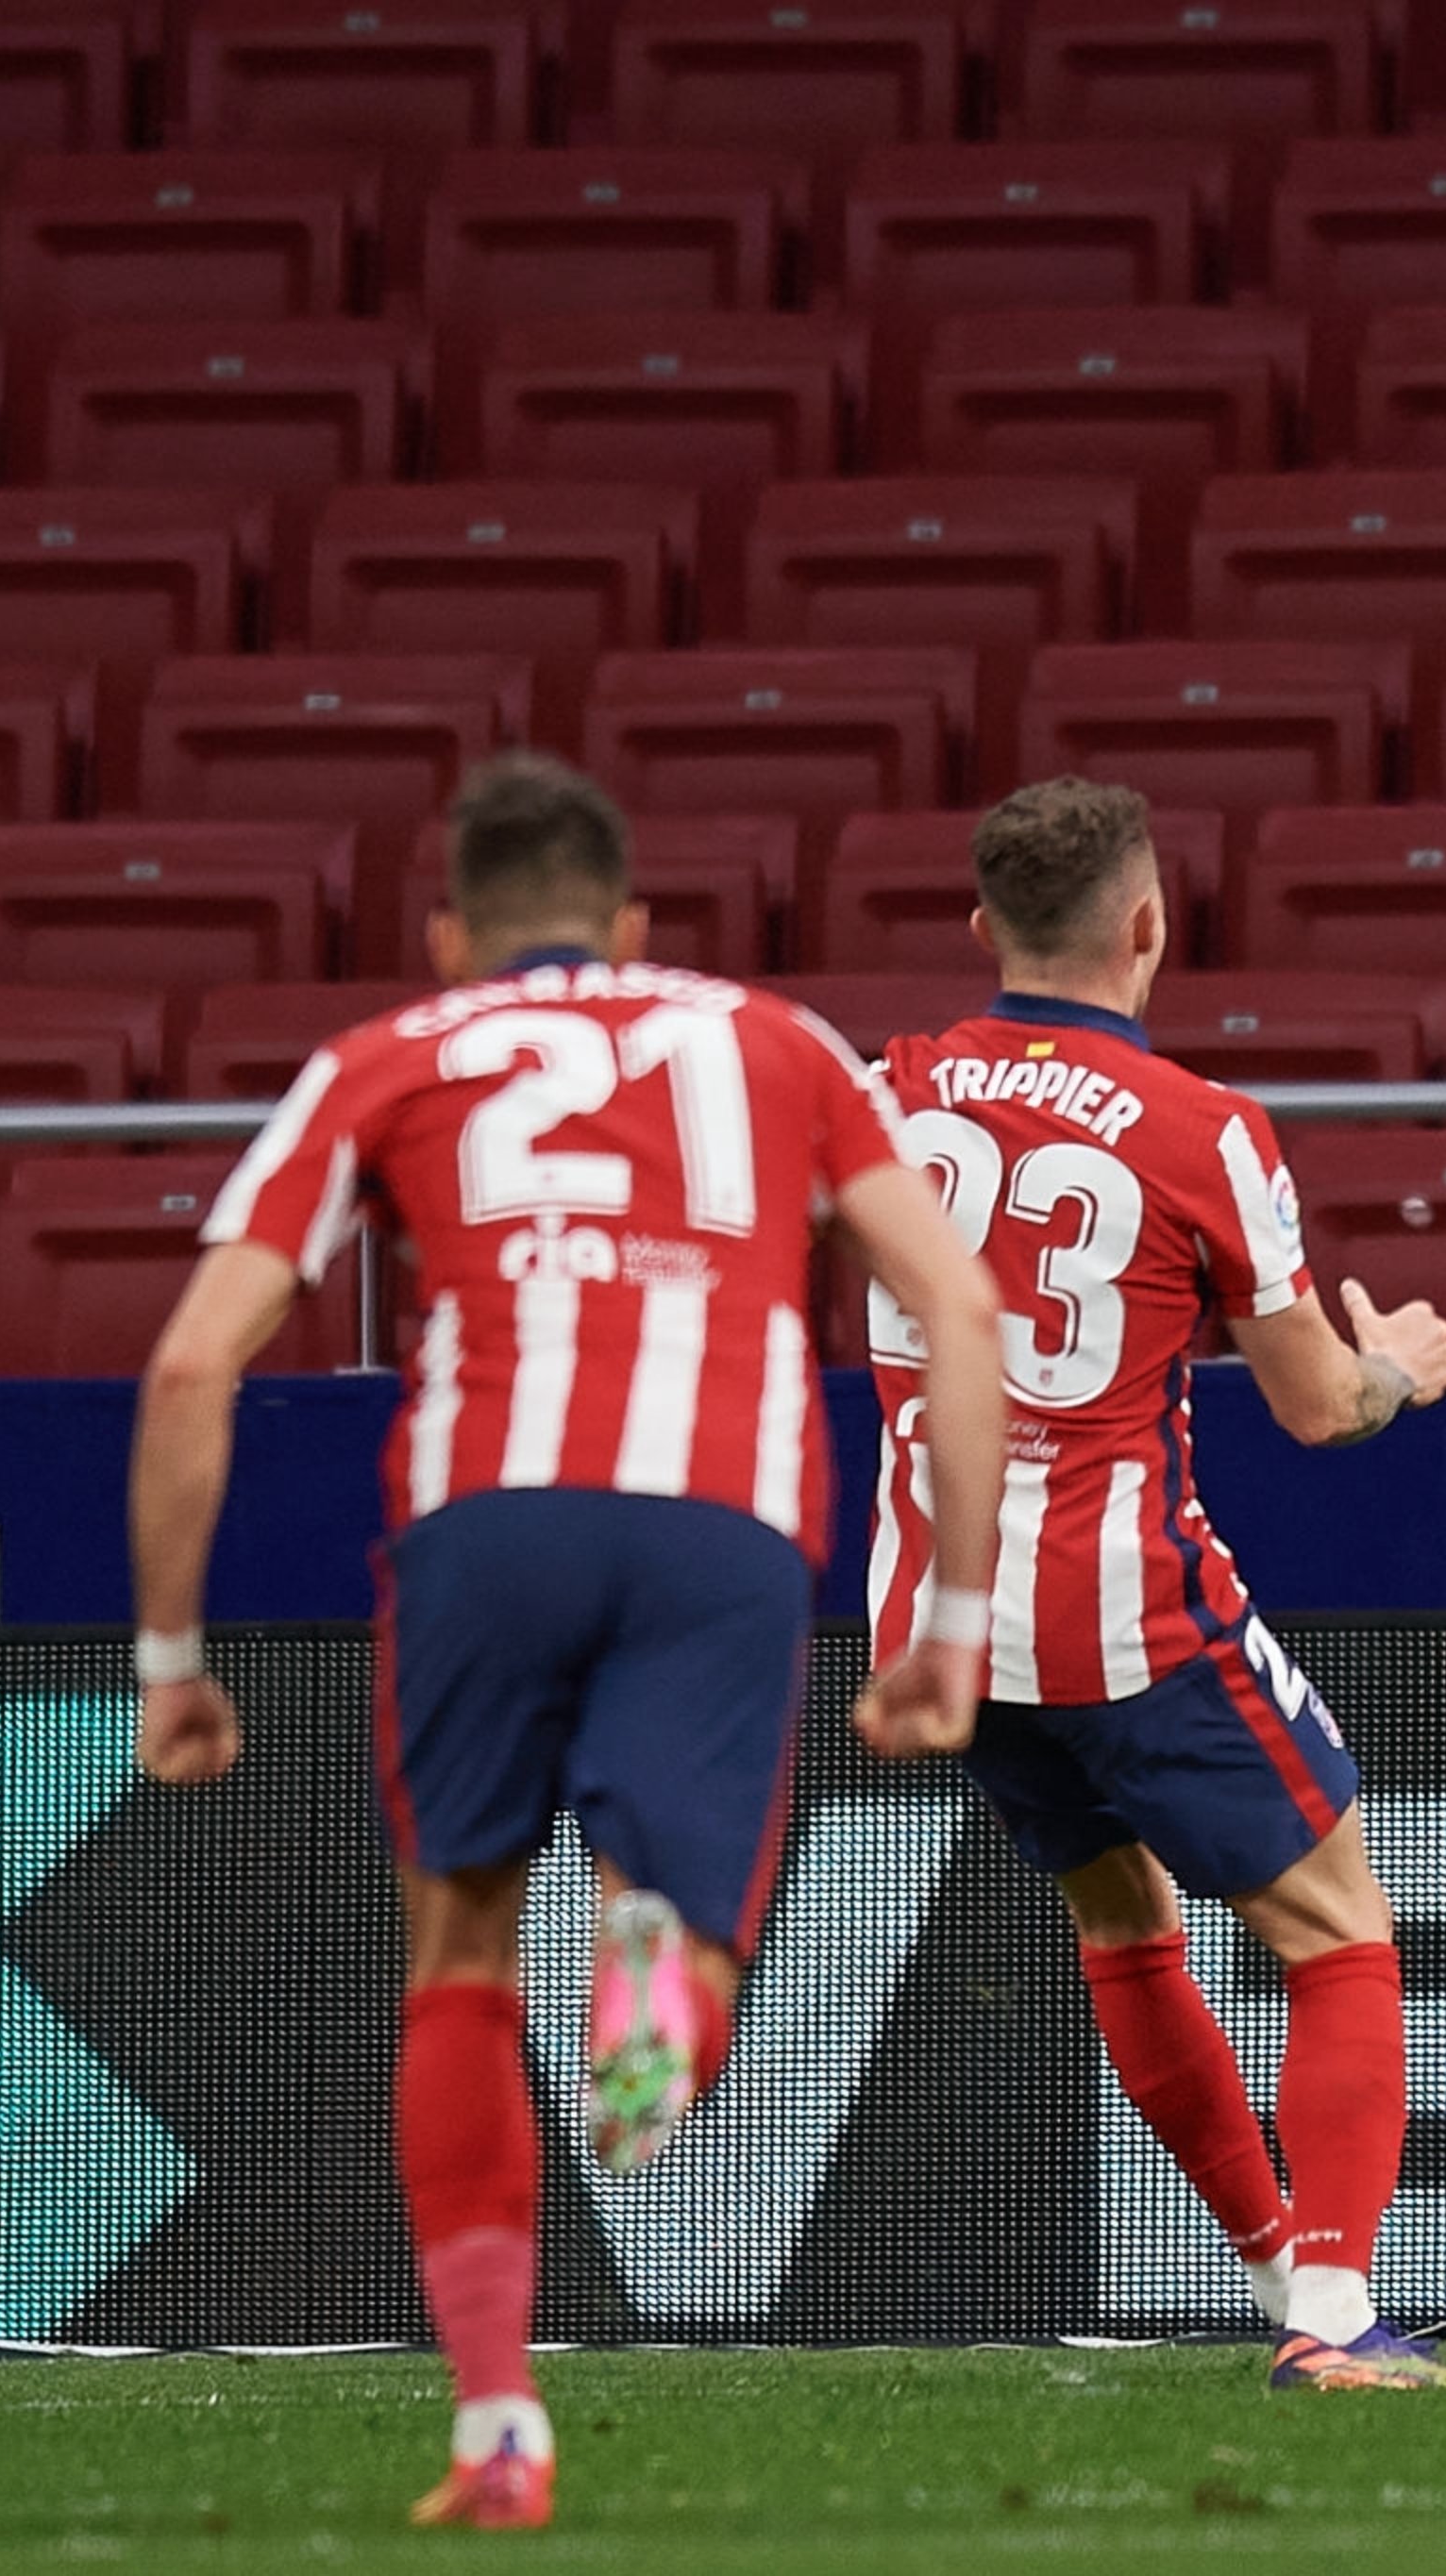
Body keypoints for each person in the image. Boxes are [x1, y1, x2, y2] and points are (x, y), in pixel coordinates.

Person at [129, 751, 1009, 2531]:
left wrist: (171, 1653)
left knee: (460, 1947)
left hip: (485, 1517)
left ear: (450, 935)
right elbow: (959, 1303)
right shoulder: (777, 1041)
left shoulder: (386, 1054)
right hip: (720, 1517)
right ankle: (663, 1964)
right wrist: (956, 1624)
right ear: (630, 923)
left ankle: (498, 2421)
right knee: (681, 1929)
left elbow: (193, 1359)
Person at [862, 776, 1446, 2395]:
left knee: (1125, 1921)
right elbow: (1317, 1407)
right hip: (1120, 1604)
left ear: (982, 926)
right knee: (1339, 1928)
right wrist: (1399, 1365)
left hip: (938, 1615)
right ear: (1148, 923)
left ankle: (1284, 2271)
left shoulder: (881, 1092)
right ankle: (1333, 2315)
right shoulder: (1202, 1127)